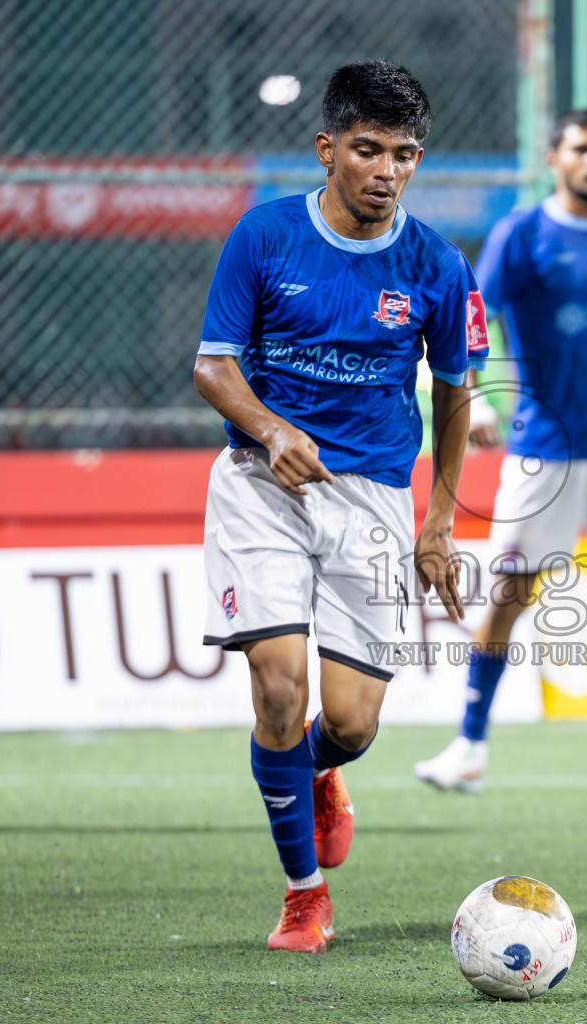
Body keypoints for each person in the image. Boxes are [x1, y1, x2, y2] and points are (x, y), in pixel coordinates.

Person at [193, 60, 485, 952]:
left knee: (350, 725)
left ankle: (317, 772)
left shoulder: (438, 264)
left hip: (372, 500)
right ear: (328, 149)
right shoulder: (265, 236)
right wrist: (269, 428)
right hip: (261, 484)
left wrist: (438, 519)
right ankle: (303, 896)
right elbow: (213, 366)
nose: (386, 170)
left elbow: (456, 392)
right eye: (367, 150)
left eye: (404, 154)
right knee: (278, 689)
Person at [412, 108, 587, 797]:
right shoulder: (523, 234)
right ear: (556, 157)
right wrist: (476, 402)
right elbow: (472, 316)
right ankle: (469, 745)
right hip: (545, 448)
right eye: (583, 149)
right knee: (511, 593)